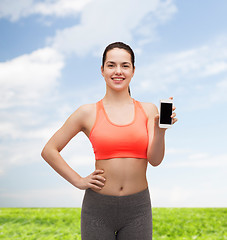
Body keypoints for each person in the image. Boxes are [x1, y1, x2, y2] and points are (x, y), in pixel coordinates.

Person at [41, 42, 177, 240]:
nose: (118, 71)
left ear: (133, 70)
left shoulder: (149, 111)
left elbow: (155, 160)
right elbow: (49, 150)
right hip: (97, 209)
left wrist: (160, 131)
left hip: (138, 208)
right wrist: (78, 180)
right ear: (102, 70)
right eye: (111, 65)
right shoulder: (87, 112)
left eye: (125, 65)